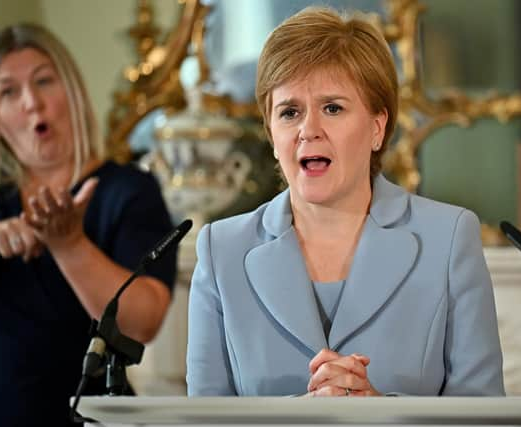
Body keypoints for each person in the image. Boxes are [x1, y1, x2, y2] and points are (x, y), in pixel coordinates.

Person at [186, 7, 504, 397]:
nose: (308, 130)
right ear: (272, 133)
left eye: (332, 108)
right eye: (289, 112)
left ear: (376, 127)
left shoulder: (450, 239)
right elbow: (201, 421)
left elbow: (486, 416)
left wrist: (379, 414)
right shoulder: (222, 250)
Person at [0, 24, 177, 426]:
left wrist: (69, 244)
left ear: (71, 93)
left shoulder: (127, 191)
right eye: (8, 91)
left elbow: (143, 322)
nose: (32, 102)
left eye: (44, 81)